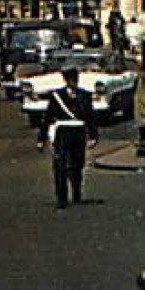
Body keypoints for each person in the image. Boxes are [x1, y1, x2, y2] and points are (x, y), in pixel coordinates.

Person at [37, 66, 98, 208]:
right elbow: (48, 117)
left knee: (77, 164)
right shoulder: (56, 96)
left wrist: (93, 135)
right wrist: (41, 138)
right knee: (60, 166)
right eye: (69, 78)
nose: (72, 81)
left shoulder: (85, 95)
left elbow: (90, 117)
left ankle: (77, 193)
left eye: (74, 78)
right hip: (63, 131)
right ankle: (62, 198)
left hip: (79, 132)